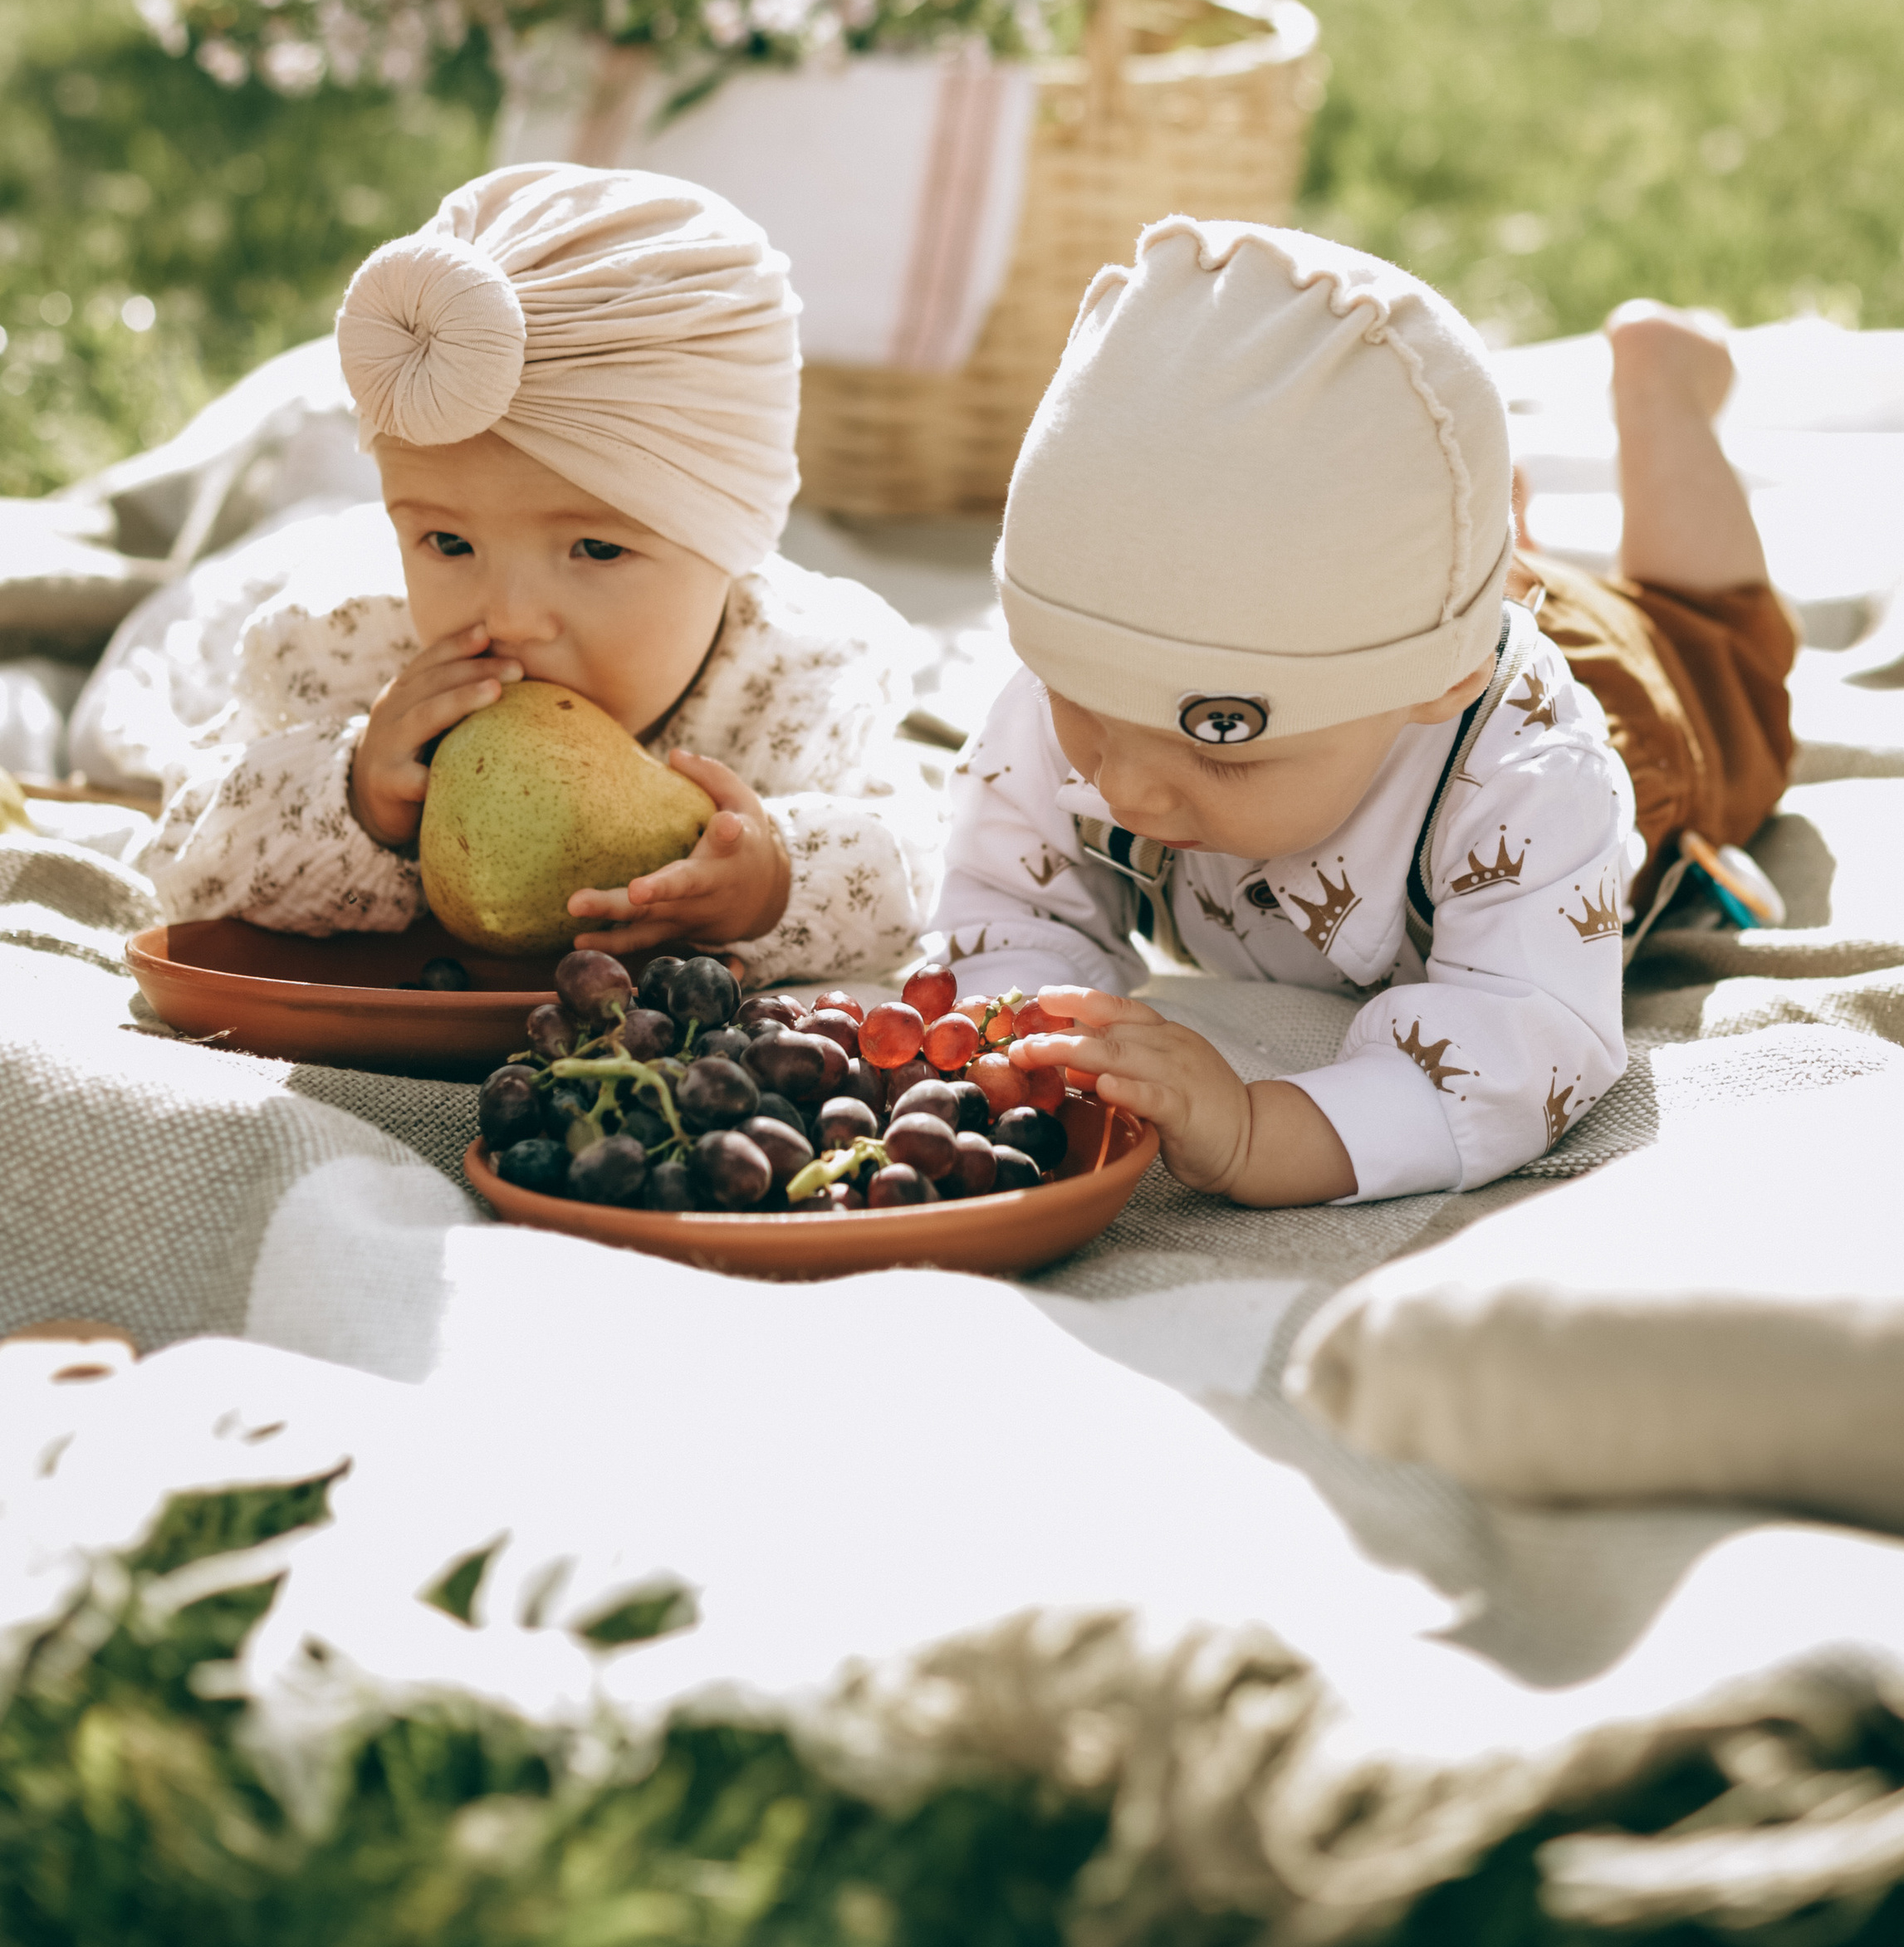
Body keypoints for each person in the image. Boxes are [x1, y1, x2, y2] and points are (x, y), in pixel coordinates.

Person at [927, 218, 1794, 1208]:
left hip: (1618, 694)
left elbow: (1523, 1051)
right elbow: (1007, 900)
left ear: (1441, 677)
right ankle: (1473, 535)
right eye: (1077, 700)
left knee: (1714, 637)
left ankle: (1659, 386)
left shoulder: (1535, 785)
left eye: (1222, 744)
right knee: (1386, 572)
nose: (1121, 786)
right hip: (1386, 626)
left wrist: (1260, 1130)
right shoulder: (1107, 667)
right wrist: (1025, 1026)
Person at [138, 163, 935, 979]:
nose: (511, 615)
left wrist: (771, 885)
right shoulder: (351, 657)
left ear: (732, 539)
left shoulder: (792, 687)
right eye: (448, 543)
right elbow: (182, 862)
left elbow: (919, 874)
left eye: (597, 549)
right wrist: (354, 797)